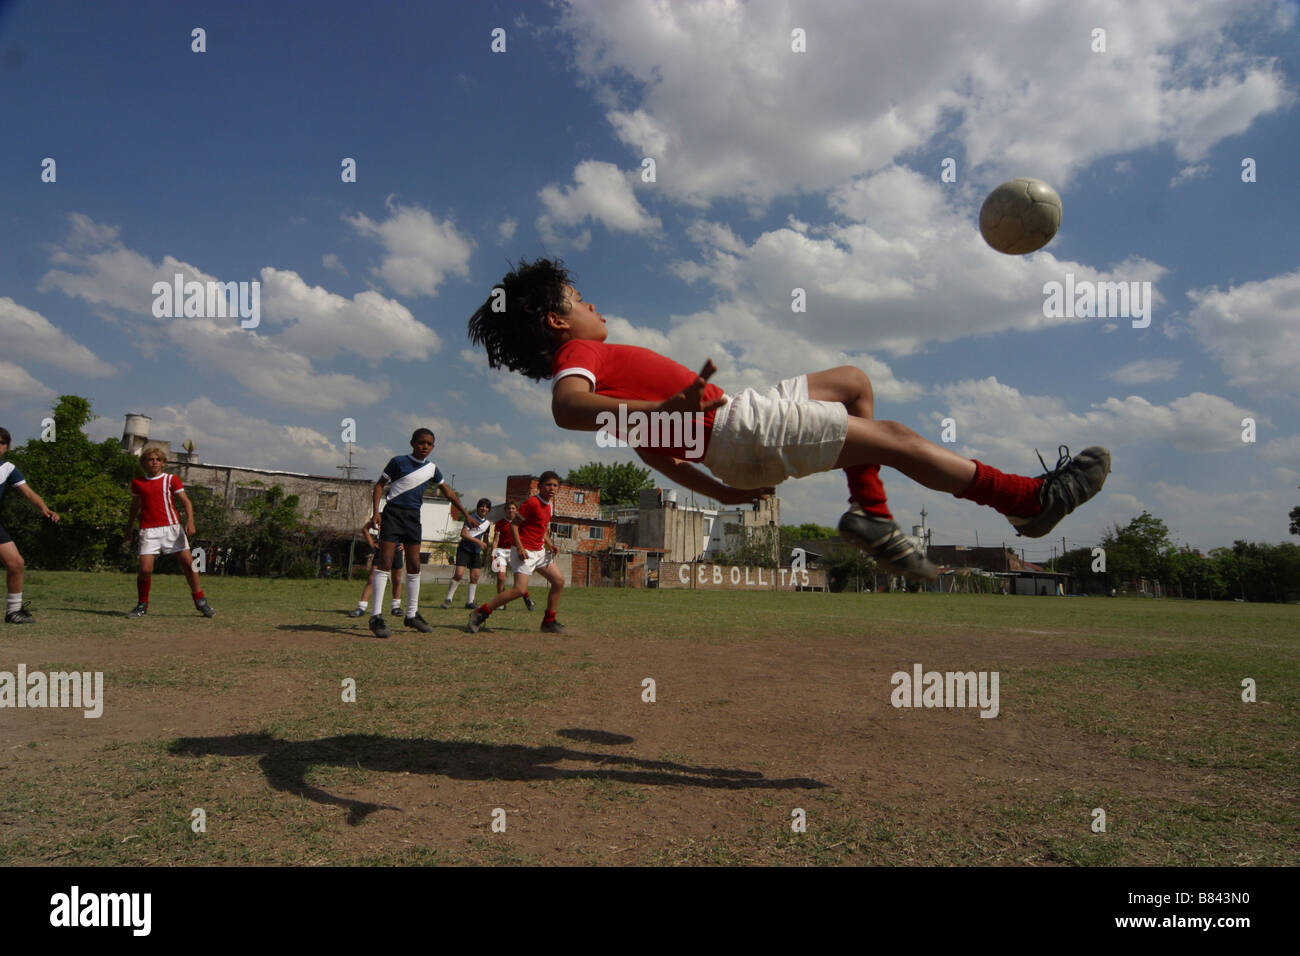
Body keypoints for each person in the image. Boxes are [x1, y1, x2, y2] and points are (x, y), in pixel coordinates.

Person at [468, 259, 1110, 581]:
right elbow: (567, 408)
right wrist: (670, 412)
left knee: (853, 382)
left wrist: (722, 491)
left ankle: (872, 514)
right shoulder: (583, 354)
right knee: (894, 440)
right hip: (736, 428)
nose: (592, 304)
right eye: (579, 301)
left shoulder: (611, 379)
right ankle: (1026, 501)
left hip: (734, 425)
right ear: (558, 322)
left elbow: (654, 453)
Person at [366, 428, 471, 638]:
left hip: (413, 518)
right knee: (385, 562)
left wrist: (466, 514)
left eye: (430, 444)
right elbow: (379, 486)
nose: (425, 447)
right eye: (422, 442)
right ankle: (376, 616)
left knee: (414, 564)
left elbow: (448, 492)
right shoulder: (397, 462)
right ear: (412, 443)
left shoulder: (432, 469)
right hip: (393, 514)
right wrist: (376, 512)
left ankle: (411, 615)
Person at [467, 471, 566, 634]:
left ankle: (549, 621)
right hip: (524, 551)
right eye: (548, 485)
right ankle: (480, 613)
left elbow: (542, 529)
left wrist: (550, 544)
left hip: (539, 552)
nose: (552, 488)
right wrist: (519, 548)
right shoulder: (532, 503)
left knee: (559, 581)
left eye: (555, 485)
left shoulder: (550, 505)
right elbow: (514, 526)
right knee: (519, 590)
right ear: (540, 486)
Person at [123, 444, 214, 618]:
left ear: (163, 463)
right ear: (143, 463)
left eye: (158, 460)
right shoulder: (138, 482)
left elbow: (186, 501)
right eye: (150, 459)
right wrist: (129, 529)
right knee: (145, 569)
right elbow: (135, 506)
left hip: (171, 528)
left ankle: (200, 601)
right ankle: (142, 605)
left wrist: (190, 522)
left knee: (188, 564)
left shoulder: (170, 479)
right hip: (148, 530)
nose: (154, 462)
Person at [0, 427, 61, 624]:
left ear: (6, 447)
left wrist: (44, 507)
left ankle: (14, 611)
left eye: (1, 443)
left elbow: (28, 493)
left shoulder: (7, 468)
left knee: (16, 563)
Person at [441, 498, 493, 609]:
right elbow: (463, 534)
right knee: (459, 574)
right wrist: (477, 541)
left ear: (489, 510)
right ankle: (448, 599)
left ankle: (470, 602)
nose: (484, 509)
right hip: (464, 549)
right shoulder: (471, 518)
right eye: (482, 506)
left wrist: (484, 556)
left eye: (486, 507)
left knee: (475, 576)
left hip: (476, 552)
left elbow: (485, 540)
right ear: (478, 507)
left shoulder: (487, 523)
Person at [346, 524, 404, 617]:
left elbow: (408, 532)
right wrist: (372, 544)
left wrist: (404, 544)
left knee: (396, 579)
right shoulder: (380, 516)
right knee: (372, 579)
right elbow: (365, 529)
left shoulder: (401, 517)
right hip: (381, 551)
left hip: (396, 550)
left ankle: (396, 607)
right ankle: (361, 607)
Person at [489, 500, 534, 610]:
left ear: (517, 510)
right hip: (501, 552)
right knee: (501, 577)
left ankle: (527, 598)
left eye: (513, 508)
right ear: (505, 510)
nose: (511, 510)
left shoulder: (520, 523)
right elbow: (495, 541)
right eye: (509, 508)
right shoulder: (500, 523)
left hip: (515, 551)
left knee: (520, 579)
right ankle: (501, 602)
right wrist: (493, 555)